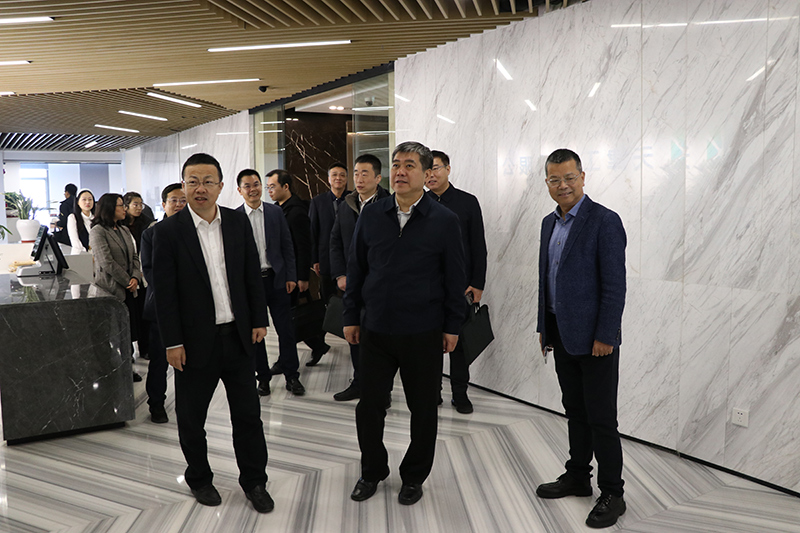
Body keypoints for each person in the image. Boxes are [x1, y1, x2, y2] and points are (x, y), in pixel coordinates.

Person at [343, 141, 465, 506]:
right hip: (376, 329)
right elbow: (356, 268)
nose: (400, 171)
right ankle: (372, 470)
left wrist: (452, 326)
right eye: (396, 164)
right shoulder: (372, 214)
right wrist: (351, 316)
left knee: (423, 409)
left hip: (422, 330)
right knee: (369, 407)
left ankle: (413, 476)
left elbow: (454, 278)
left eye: (410, 165)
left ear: (426, 174)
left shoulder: (444, 220)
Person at [150, 153, 273, 513]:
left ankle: (255, 481)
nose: (200, 188)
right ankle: (200, 479)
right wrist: (172, 342)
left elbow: (251, 275)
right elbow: (165, 294)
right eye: (193, 181)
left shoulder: (236, 222)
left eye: (207, 181)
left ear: (220, 186)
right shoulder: (167, 232)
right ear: (183, 185)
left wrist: (259, 319)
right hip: (192, 343)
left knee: (248, 416)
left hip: (238, 337)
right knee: (192, 419)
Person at [535, 148, 627, 529]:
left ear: (583, 177)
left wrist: (606, 334)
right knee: (574, 410)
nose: (563, 185)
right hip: (561, 333)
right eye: (555, 179)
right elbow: (546, 280)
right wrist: (544, 327)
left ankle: (613, 493)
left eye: (569, 178)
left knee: (601, 417)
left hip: (596, 341)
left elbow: (615, 286)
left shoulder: (604, 221)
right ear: (547, 182)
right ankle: (578, 476)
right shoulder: (548, 223)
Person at [425, 150, 487, 414]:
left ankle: (460, 394)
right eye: (427, 170)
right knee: (429, 343)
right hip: (428, 288)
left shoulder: (467, 202)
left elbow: (478, 246)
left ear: (448, 169)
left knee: (460, 344)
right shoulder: (419, 203)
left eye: (436, 168)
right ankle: (433, 393)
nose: (431, 175)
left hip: (461, 288)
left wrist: (478, 283)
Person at [235, 168, 305, 397]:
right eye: (247, 186)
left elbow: (287, 245)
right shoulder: (234, 218)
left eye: (256, 184)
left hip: (277, 279)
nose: (253, 189)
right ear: (239, 190)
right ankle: (263, 378)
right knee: (256, 333)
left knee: (286, 331)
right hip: (250, 284)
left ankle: (292, 376)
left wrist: (291, 276)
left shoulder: (275, 212)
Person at [329, 154, 389, 401]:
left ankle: (383, 391)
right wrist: (340, 274)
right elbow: (335, 241)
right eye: (356, 173)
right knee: (354, 333)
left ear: (378, 178)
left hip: (380, 286)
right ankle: (359, 383)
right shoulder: (347, 204)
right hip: (353, 285)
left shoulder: (390, 204)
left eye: (365, 173)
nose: (359, 178)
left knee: (379, 339)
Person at [265, 169, 326, 374]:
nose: (269, 190)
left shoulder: (296, 212)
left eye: (273, 186)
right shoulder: (277, 209)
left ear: (286, 187)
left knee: (288, 319)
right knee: (290, 318)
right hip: (283, 273)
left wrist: (302, 277)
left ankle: (286, 360)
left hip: (292, 275)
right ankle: (317, 345)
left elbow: (303, 246)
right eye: (268, 187)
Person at [140, 183, 186, 423]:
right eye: (174, 200)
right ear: (164, 204)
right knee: (160, 359)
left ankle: (187, 404)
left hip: (192, 309)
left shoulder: (195, 231)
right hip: (162, 307)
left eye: (183, 200)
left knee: (189, 361)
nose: (178, 205)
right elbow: (151, 272)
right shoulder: (151, 234)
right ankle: (156, 403)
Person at [89, 193, 143, 383]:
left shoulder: (124, 229)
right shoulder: (98, 231)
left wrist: (135, 277)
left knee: (126, 333)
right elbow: (106, 262)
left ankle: (127, 368)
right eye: (121, 205)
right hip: (110, 290)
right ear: (110, 208)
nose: (124, 209)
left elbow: (135, 256)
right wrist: (128, 280)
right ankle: (108, 370)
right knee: (110, 333)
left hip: (129, 289)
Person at [307, 162, 349, 366]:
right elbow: (313, 232)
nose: (338, 178)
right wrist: (314, 259)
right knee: (327, 302)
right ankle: (319, 345)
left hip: (350, 261)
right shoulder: (318, 201)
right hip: (326, 260)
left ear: (347, 178)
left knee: (351, 302)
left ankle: (354, 340)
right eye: (334, 175)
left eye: (342, 175)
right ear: (328, 179)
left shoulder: (353, 199)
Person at [123, 191, 151, 361]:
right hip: (127, 276)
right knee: (129, 315)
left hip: (142, 274)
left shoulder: (146, 223)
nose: (139, 207)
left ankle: (145, 347)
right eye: (135, 204)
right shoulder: (119, 225)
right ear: (126, 207)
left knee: (143, 313)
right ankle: (128, 351)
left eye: (141, 204)